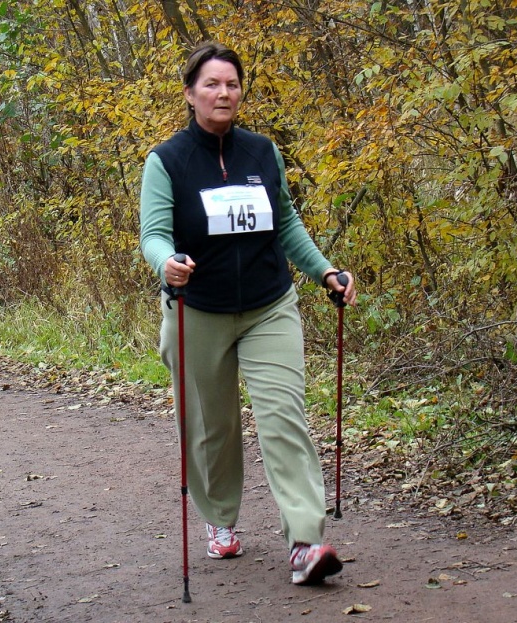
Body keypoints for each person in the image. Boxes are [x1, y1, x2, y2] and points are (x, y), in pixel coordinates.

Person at [139, 41, 357, 586]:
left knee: (284, 417)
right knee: (212, 427)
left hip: (269, 305)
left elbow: (287, 226)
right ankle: (220, 521)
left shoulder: (263, 153)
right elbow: (154, 234)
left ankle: (307, 542)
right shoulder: (167, 161)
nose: (223, 92)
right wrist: (168, 263)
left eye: (232, 84)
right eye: (211, 84)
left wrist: (325, 271)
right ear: (190, 93)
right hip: (199, 310)